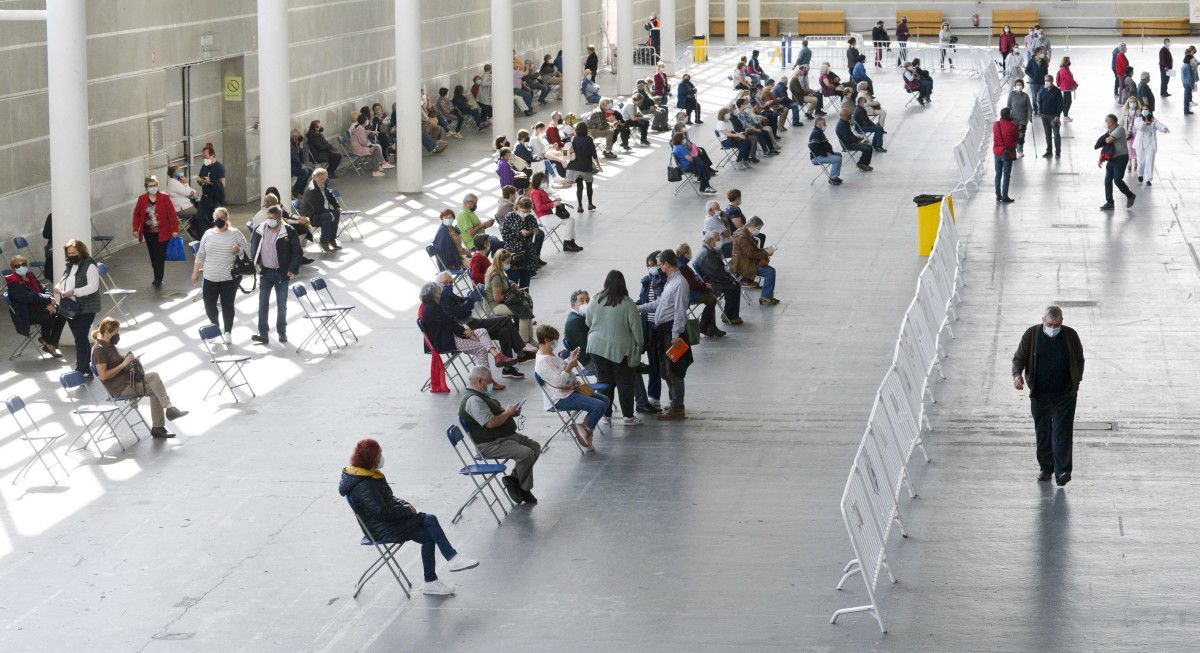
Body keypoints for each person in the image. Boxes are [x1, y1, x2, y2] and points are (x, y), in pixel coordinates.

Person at [338, 438, 479, 596]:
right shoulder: (364, 484)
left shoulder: (371, 475)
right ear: (371, 458)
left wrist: (404, 503)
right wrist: (406, 511)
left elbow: (389, 499)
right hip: (380, 529)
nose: (382, 457)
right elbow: (381, 512)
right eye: (379, 454)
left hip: (387, 523)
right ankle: (452, 559)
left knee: (428, 536)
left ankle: (431, 581)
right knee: (429, 519)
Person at [1011, 306, 1084, 486]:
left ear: (1062, 322)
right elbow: (1019, 358)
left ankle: (1062, 471)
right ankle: (1046, 467)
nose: (1053, 327)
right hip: (1040, 394)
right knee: (1043, 432)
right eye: (1049, 324)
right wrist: (1017, 375)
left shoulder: (1070, 336)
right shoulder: (1032, 335)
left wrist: (1076, 383)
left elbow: (1079, 359)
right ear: (1043, 321)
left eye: (1056, 324)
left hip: (1064, 394)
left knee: (1062, 432)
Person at [90, 317, 188, 438]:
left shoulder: (110, 345)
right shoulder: (99, 351)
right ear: (107, 333)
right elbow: (103, 376)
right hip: (119, 388)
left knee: (154, 376)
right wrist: (123, 364)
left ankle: (169, 408)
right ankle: (161, 423)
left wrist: (130, 361)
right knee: (155, 389)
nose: (118, 335)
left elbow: (121, 364)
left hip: (127, 380)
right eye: (115, 332)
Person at [459, 366, 542, 504]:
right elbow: (490, 423)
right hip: (490, 443)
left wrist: (511, 413)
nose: (492, 384)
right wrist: (507, 413)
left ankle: (514, 480)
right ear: (481, 381)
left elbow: (496, 415)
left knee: (535, 447)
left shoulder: (482, 395)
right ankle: (524, 489)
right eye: (489, 381)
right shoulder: (473, 400)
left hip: (503, 437)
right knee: (526, 454)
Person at [534, 324, 609, 451]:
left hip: (571, 390)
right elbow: (560, 382)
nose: (555, 343)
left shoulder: (548, 354)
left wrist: (570, 359)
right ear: (547, 340)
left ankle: (585, 428)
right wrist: (570, 366)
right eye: (554, 340)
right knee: (599, 405)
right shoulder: (543, 362)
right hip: (560, 398)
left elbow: (561, 368)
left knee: (605, 400)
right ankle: (586, 430)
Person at [636, 250, 692, 420]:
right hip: (664, 332)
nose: (658, 268)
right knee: (666, 370)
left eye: (660, 265)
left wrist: (676, 334)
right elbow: (660, 303)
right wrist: (639, 307)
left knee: (674, 371)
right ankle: (674, 402)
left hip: (672, 333)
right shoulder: (670, 281)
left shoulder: (680, 283)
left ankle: (678, 407)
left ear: (666, 264)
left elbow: (679, 311)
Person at [583, 271, 643, 425]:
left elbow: (588, 322)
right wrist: (639, 346)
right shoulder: (628, 303)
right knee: (625, 384)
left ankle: (605, 416)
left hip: (596, 347)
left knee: (604, 382)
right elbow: (637, 329)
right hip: (621, 350)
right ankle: (628, 417)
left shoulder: (595, 299)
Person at [420, 281, 515, 377]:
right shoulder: (432, 307)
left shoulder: (432, 305)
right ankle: (486, 380)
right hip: (445, 341)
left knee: (482, 331)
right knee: (481, 348)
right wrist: (465, 332)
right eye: (438, 290)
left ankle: (497, 356)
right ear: (432, 294)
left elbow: (450, 319)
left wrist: (464, 327)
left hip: (448, 335)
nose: (440, 291)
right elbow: (449, 323)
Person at [191, 207, 248, 344]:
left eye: (222, 218)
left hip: (228, 278)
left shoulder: (235, 233)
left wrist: (238, 251)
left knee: (227, 305)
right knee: (209, 305)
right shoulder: (208, 233)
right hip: (210, 277)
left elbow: (247, 252)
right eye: (216, 218)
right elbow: (201, 254)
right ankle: (215, 327)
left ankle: (228, 331)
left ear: (227, 218)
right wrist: (195, 272)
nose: (219, 220)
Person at [248, 207, 301, 345]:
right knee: (262, 305)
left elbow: (297, 252)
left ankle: (282, 332)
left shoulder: (289, 231)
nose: (270, 220)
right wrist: (255, 265)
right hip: (265, 272)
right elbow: (253, 246)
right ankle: (263, 334)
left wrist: (292, 269)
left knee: (281, 305)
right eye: (268, 217)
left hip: (282, 274)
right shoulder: (260, 229)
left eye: (273, 218)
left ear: (279, 218)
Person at [55, 240, 101, 376]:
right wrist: (59, 286)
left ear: (81, 251)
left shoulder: (89, 264)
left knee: (80, 337)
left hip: (86, 308)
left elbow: (93, 287)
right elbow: (64, 279)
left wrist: (74, 292)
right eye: (69, 253)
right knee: (80, 338)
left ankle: (83, 368)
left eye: (74, 253)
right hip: (72, 307)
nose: (71, 255)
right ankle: (85, 366)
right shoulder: (70, 265)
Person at [4, 255, 66, 357]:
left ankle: (50, 343)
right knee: (49, 317)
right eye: (17, 266)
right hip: (25, 312)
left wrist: (49, 302)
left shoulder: (31, 275)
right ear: (13, 268)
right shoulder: (13, 283)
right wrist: (48, 302)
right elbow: (29, 298)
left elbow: (43, 289)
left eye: (23, 264)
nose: (21, 267)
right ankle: (47, 342)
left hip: (39, 306)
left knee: (63, 313)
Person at [131, 175, 180, 290]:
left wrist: (175, 230)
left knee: (159, 256)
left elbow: (172, 215)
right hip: (148, 233)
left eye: (154, 185)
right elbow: (137, 214)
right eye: (150, 186)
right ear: (146, 187)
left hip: (163, 232)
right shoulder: (142, 199)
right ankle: (156, 275)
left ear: (157, 185)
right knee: (153, 256)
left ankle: (158, 279)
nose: (153, 187)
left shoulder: (164, 197)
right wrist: (135, 228)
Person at [483, 249, 536, 346]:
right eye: (507, 262)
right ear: (500, 262)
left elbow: (503, 288)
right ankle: (525, 342)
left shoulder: (498, 270)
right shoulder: (496, 276)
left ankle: (530, 339)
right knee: (523, 311)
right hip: (494, 306)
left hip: (499, 302)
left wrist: (510, 286)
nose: (509, 264)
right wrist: (511, 294)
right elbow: (497, 298)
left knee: (526, 306)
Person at [693, 231, 742, 326]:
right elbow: (715, 273)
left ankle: (728, 313)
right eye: (716, 240)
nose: (718, 242)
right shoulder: (706, 254)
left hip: (712, 279)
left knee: (734, 284)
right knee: (734, 287)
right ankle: (730, 315)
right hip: (712, 282)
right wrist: (730, 279)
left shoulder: (707, 250)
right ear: (711, 241)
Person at [529, 171, 583, 252]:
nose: (545, 183)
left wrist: (555, 201)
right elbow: (539, 207)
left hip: (548, 215)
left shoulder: (541, 191)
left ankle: (570, 242)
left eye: (545, 181)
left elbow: (547, 203)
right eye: (543, 181)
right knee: (569, 221)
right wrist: (553, 204)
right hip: (544, 217)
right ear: (538, 182)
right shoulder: (535, 193)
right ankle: (568, 243)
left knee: (570, 220)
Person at [730, 217, 778, 306]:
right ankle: (766, 297)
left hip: (745, 261)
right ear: (752, 226)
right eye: (758, 228)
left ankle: (766, 296)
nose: (758, 231)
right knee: (770, 272)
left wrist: (765, 250)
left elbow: (752, 250)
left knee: (769, 270)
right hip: (743, 265)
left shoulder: (744, 232)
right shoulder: (742, 236)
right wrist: (766, 253)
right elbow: (750, 254)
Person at [500, 198, 544, 287]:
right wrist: (519, 233)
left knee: (525, 285)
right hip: (514, 255)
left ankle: (525, 300)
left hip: (527, 256)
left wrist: (533, 232)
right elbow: (505, 235)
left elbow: (536, 233)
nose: (525, 214)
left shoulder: (531, 218)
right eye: (523, 211)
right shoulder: (510, 217)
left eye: (527, 212)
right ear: (518, 207)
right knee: (513, 284)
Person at [1099, 113, 1136, 210]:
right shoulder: (1110, 130)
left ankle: (1130, 195)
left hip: (1121, 158)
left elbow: (1108, 141)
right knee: (1107, 181)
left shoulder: (1120, 129)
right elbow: (1106, 146)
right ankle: (1109, 202)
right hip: (1112, 159)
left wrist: (1106, 138)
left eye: (1107, 121)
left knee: (1117, 180)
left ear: (1113, 121)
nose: (1106, 123)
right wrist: (1101, 158)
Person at [300, 168, 342, 252]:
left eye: (324, 178)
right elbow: (316, 207)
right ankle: (324, 242)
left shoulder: (322, 185)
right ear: (315, 178)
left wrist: (337, 206)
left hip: (322, 211)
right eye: (321, 179)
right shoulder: (311, 189)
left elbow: (330, 195)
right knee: (327, 217)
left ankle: (331, 239)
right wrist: (329, 213)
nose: (324, 180)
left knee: (336, 213)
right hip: (312, 216)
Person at [566, 122, 602, 213]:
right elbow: (594, 154)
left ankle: (580, 206)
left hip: (575, 166)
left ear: (577, 130)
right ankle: (590, 204)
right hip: (586, 167)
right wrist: (599, 166)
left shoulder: (573, 139)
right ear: (586, 129)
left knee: (579, 187)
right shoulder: (589, 139)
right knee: (589, 186)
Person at [196, 145, 225, 232]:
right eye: (203, 157)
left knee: (215, 219)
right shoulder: (204, 166)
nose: (204, 159)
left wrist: (210, 182)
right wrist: (200, 181)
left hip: (215, 198)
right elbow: (200, 179)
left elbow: (222, 185)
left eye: (206, 157)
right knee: (200, 217)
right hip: (205, 196)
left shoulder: (219, 167)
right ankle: (203, 237)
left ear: (212, 156)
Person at [807, 116, 844, 185]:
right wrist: (825, 153)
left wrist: (830, 152)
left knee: (839, 155)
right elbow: (813, 147)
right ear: (819, 124)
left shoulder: (819, 131)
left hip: (822, 154)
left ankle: (835, 176)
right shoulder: (816, 133)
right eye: (824, 124)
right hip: (817, 157)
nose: (825, 126)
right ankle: (832, 178)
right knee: (837, 159)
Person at [1134, 112, 1168, 185]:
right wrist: (1144, 123)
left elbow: (1159, 125)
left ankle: (1148, 179)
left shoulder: (1153, 120)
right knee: (1141, 162)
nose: (1145, 111)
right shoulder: (1138, 120)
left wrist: (1164, 128)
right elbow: (1139, 127)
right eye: (1143, 109)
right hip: (1141, 145)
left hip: (1151, 144)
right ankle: (1140, 174)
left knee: (1150, 161)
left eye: (1146, 109)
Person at [835, 106, 873, 172]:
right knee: (867, 149)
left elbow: (850, 135)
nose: (850, 115)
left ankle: (863, 163)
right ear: (843, 116)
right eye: (848, 115)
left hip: (851, 142)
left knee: (870, 147)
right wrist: (857, 141)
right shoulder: (841, 125)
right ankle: (861, 164)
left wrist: (858, 139)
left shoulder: (845, 122)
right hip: (847, 145)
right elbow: (847, 138)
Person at [993, 107, 1019, 203]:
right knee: (1006, 175)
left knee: (998, 174)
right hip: (1007, 153)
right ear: (1009, 116)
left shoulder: (995, 125)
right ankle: (1005, 196)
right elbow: (1016, 139)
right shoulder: (1013, 126)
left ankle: (998, 195)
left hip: (996, 152)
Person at [165, 166, 199, 238]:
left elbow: (190, 191)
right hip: (181, 209)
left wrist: (191, 190)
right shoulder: (174, 183)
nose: (181, 172)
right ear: (175, 173)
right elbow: (187, 192)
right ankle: (194, 230)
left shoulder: (176, 182)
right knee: (200, 213)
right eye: (179, 171)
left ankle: (194, 229)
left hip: (184, 207)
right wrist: (186, 183)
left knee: (199, 208)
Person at [1038, 75, 1063, 159]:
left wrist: (1057, 115)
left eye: (1048, 80)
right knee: (1047, 135)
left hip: (1054, 117)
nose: (1046, 82)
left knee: (1056, 135)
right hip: (1044, 116)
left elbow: (1060, 105)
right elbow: (1040, 102)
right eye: (1045, 80)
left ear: (1052, 81)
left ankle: (1058, 152)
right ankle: (1049, 151)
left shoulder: (1057, 91)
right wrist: (1041, 112)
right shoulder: (1043, 91)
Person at [1007, 79, 1033, 158]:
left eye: (1020, 85)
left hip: (1023, 119)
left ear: (1022, 86)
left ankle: (1020, 150)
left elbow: (1029, 107)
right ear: (1015, 86)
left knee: (1021, 136)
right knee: (1013, 136)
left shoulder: (1025, 96)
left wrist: (1029, 115)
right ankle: (1012, 151)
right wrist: (1007, 116)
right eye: (1017, 85)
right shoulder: (1011, 94)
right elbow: (1008, 106)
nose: (1019, 86)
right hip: (1013, 119)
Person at [1056, 57, 1077, 122]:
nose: (1069, 61)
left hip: (1065, 87)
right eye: (1068, 60)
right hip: (1066, 87)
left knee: (1065, 102)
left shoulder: (1063, 69)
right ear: (1066, 61)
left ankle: (1064, 115)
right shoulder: (1065, 70)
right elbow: (1069, 79)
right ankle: (1065, 116)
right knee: (1068, 101)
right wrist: (1075, 84)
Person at [1182, 48, 1196, 115]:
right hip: (1188, 84)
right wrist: (1192, 85)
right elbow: (1189, 77)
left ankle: (1186, 110)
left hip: (1186, 83)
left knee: (1187, 97)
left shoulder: (1185, 65)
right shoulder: (1187, 66)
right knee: (1186, 98)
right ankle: (1186, 111)